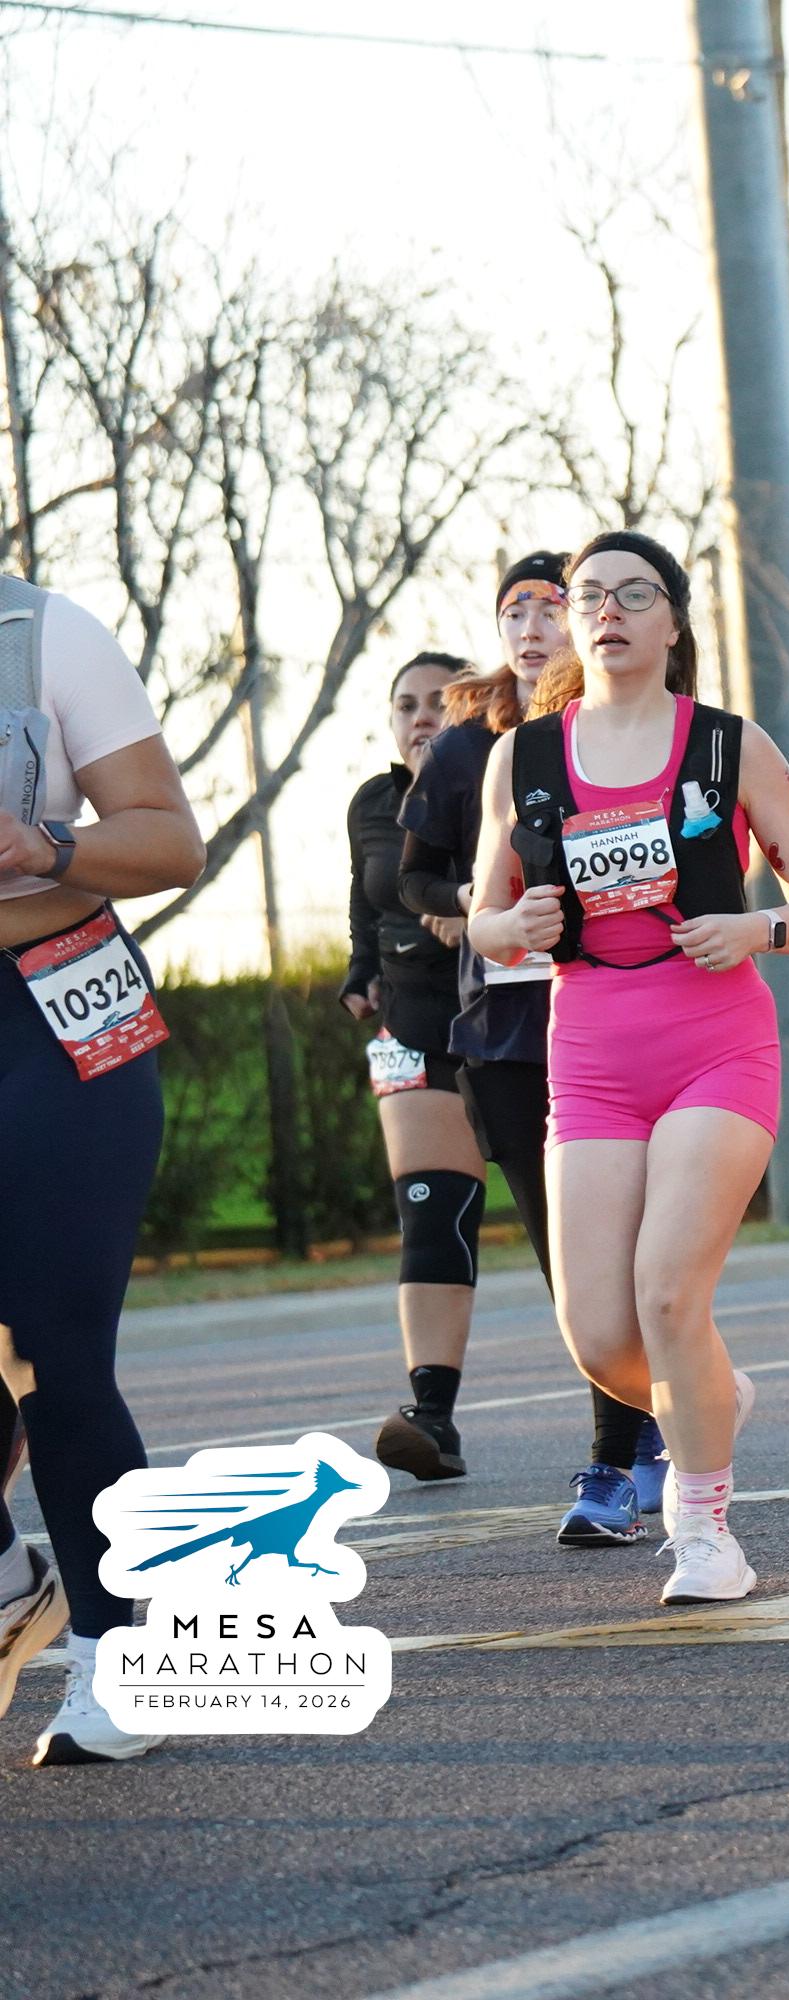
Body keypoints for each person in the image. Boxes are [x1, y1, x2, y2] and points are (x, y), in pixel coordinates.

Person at [466, 532, 789, 1606]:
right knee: (598, 1334)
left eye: (635, 594)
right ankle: (713, 1394)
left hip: (716, 1042)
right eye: (589, 595)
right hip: (590, 1053)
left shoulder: (727, 745)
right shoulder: (523, 758)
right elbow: (484, 916)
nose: (608, 611)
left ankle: (706, 1528)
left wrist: (757, 929)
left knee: (669, 1289)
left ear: (675, 621)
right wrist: (512, 926)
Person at [399, 553, 667, 1546]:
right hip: (507, 1029)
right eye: (513, 611)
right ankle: (632, 1436)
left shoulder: (627, 734)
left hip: (619, 1012)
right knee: (571, 1257)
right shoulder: (472, 750)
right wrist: (480, 904)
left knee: (641, 1248)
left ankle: (637, 1439)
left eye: (552, 607)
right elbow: (413, 879)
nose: (532, 627)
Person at [0, 570, 207, 1764]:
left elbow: (171, 838)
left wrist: (48, 842)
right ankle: (9, 1582)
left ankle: (119, 1653)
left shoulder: (44, 634)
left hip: (56, 1005)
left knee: (50, 1345)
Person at [342, 653, 493, 1482]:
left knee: (569, 1230)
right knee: (431, 1213)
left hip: (514, 1025)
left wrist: (473, 909)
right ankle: (432, 1416)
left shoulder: (509, 778)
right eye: (406, 705)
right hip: (411, 1025)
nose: (422, 716)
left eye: (441, 701)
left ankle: (632, 1418)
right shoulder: (374, 801)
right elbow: (365, 900)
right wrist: (359, 973)